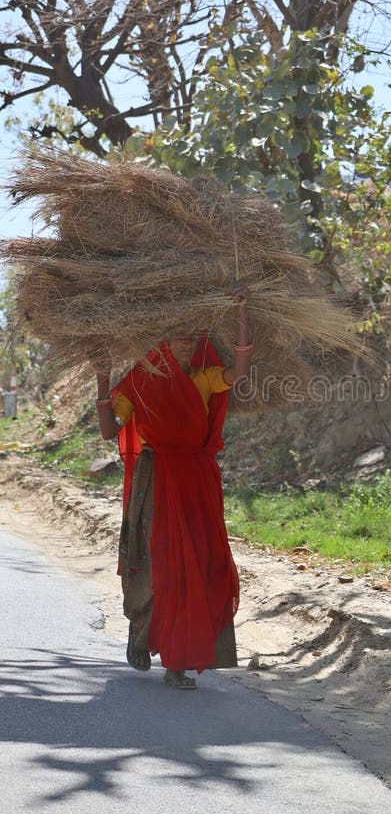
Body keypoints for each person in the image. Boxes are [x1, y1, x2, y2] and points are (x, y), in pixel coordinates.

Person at [95, 289, 251, 690]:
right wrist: (101, 378)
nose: (187, 343)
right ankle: (145, 638)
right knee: (156, 562)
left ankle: (180, 661)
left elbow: (237, 374)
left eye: (192, 338)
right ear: (162, 341)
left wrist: (242, 316)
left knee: (198, 563)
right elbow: (110, 431)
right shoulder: (140, 381)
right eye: (179, 337)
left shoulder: (203, 378)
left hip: (196, 481)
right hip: (156, 478)